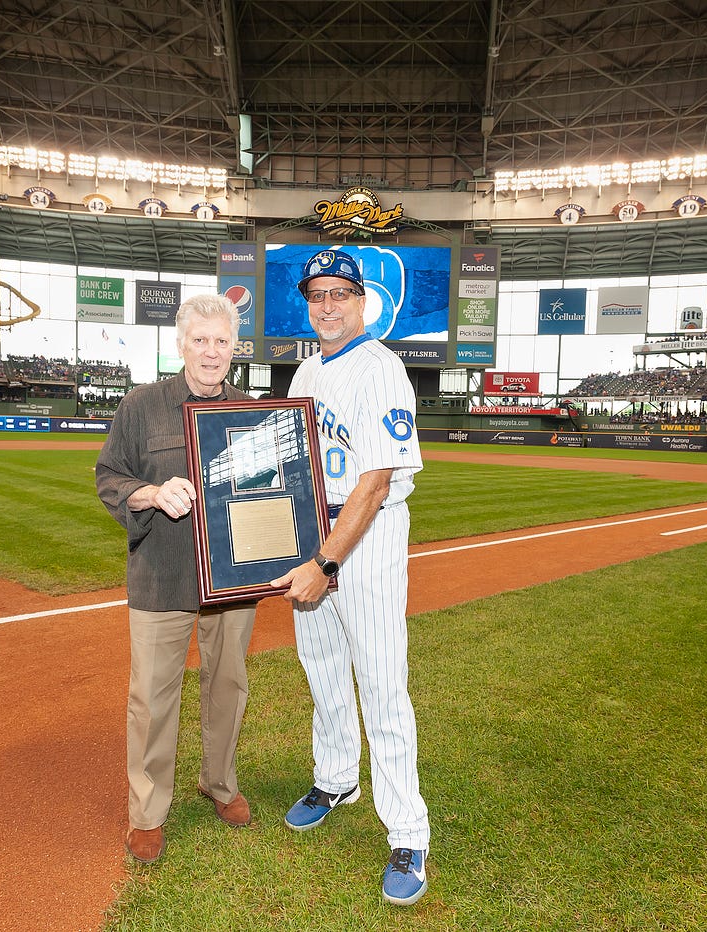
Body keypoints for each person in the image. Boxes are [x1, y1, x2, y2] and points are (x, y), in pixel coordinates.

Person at [269, 249, 431, 907]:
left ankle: (409, 834)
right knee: (322, 667)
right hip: (313, 531)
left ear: (362, 303)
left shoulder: (383, 370)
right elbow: (287, 462)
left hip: (366, 536)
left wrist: (326, 562)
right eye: (317, 295)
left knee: (382, 683)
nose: (328, 305)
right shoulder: (306, 370)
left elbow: (375, 481)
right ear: (308, 304)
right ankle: (335, 778)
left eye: (340, 293)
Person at [95, 293, 258, 866]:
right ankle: (147, 812)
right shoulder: (142, 405)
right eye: (200, 340)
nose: (210, 352)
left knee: (228, 686)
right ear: (182, 343)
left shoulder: (253, 411)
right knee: (152, 697)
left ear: (234, 348)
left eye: (221, 341)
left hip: (233, 577)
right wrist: (150, 493)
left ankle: (220, 783)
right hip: (162, 571)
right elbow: (109, 475)